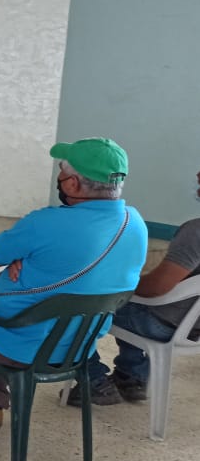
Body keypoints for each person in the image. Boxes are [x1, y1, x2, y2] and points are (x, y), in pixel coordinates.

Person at [0, 138, 148, 431]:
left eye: (62, 172)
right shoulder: (135, 224)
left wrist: (21, 257)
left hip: (18, 341)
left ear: (73, 184)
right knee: (8, 313)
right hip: (77, 347)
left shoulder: (45, 222)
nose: (59, 178)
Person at [75, 168, 200, 405]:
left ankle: (94, 381)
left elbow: (156, 288)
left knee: (76, 307)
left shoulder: (196, 231)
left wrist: (121, 283)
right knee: (130, 302)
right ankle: (131, 377)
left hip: (162, 324)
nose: (197, 175)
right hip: (193, 329)